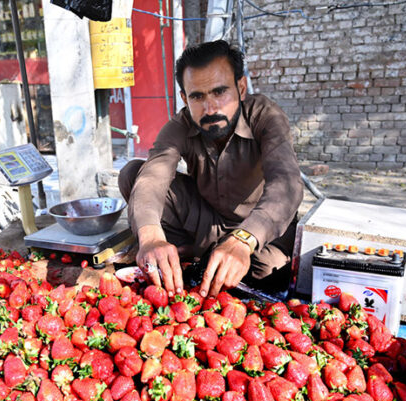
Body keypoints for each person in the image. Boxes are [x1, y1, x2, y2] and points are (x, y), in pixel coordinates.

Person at [118, 40, 304, 299]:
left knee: (270, 273)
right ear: (185, 98)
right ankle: (177, 253)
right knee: (133, 174)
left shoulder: (265, 116)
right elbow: (153, 178)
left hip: (257, 229)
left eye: (220, 92)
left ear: (240, 88)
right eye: (197, 96)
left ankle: (193, 254)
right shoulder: (181, 125)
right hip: (208, 222)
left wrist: (243, 240)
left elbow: (287, 185)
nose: (210, 108)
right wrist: (150, 237)